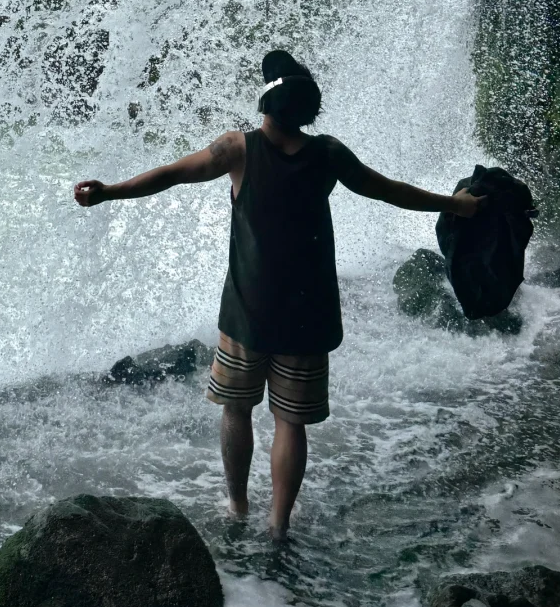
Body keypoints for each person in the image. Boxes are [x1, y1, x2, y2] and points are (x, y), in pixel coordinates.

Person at [73, 49, 483, 538]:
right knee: (290, 422)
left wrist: (109, 191)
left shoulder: (237, 149)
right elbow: (390, 190)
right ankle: (279, 526)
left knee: (236, 409)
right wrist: (455, 205)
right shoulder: (328, 153)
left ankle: (237, 506)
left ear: (265, 104)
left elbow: (171, 174)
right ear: (308, 109)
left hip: (247, 313)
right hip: (308, 315)